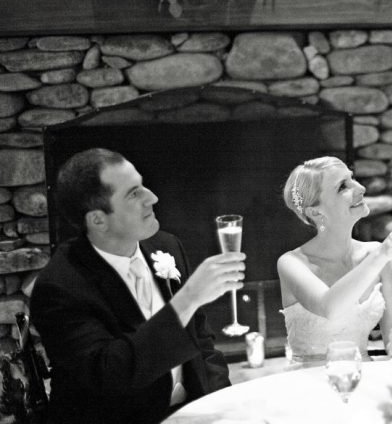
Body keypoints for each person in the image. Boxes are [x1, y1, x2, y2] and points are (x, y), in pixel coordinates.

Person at [30, 148, 246, 424]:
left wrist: (224, 405)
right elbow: (112, 373)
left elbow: (202, 344)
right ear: (98, 220)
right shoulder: (59, 287)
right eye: (134, 193)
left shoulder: (166, 246)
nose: (152, 197)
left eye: (142, 185)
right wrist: (188, 298)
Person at [277, 156, 392, 364]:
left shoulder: (376, 254)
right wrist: (382, 254)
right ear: (315, 212)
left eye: (352, 178)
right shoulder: (291, 263)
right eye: (342, 187)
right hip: (311, 379)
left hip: (364, 375)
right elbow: (329, 307)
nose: (361, 188)